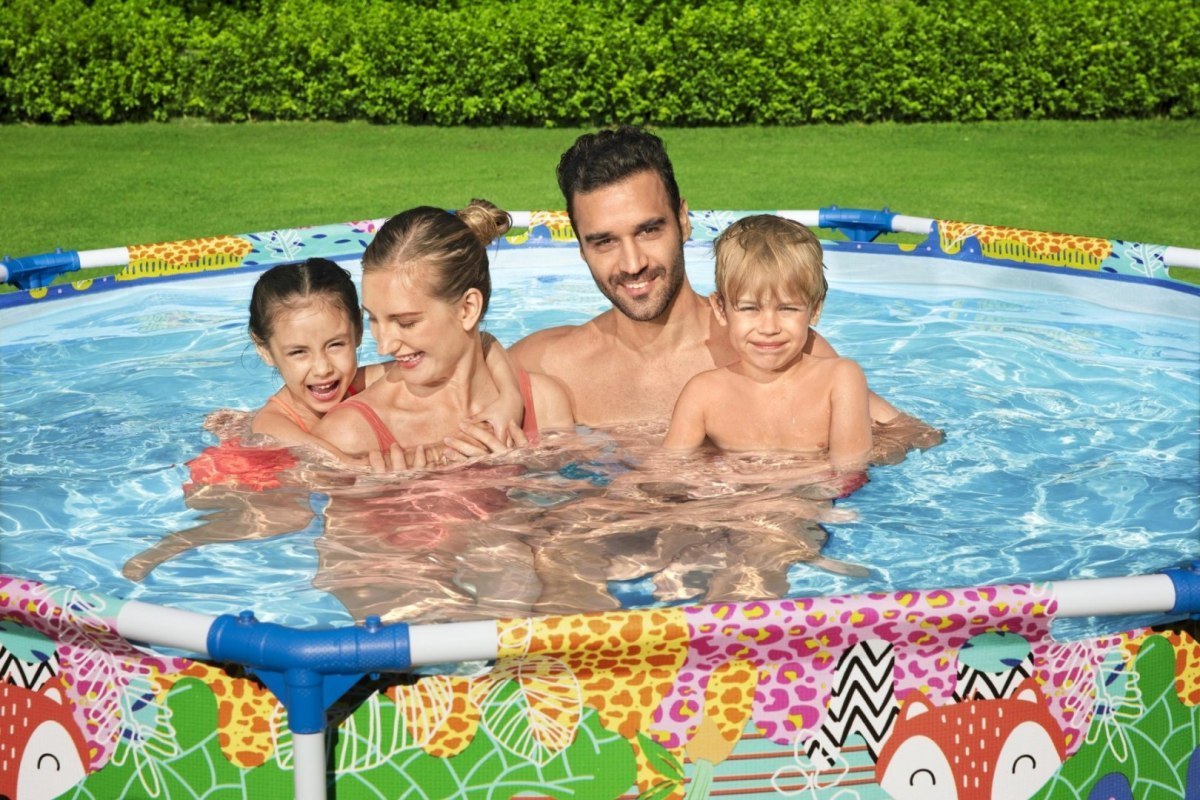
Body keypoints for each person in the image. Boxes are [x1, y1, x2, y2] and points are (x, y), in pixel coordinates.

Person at [509, 125, 904, 432]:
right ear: (581, 248)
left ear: (683, 220)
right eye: (605, 241)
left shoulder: (772, 347)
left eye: (648, 230)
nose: (632, 264)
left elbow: (906, 437)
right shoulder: (545, 364)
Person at [247, 257, 525, 461]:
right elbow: (346, 466)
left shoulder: (358, 383)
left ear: (357, 331)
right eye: (298, 352)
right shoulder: (269, 426)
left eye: (335, 345)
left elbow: (480, 343)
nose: (322, 369)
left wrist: (510, 398)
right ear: (264, 350)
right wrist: (445, 454)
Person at [663, 215, 872, 472]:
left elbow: (850, 473)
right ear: (720, 309)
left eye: (787, 308)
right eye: (750, 308)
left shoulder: (838, 380)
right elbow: (666, 473)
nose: (769, 328)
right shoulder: (703, 394)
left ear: (815, 310)